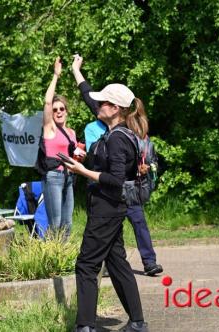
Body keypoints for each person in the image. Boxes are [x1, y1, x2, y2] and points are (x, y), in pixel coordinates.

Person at [64, 54, 149, 332]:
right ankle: (137, 323)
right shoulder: (112, 128)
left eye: (103, 103)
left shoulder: (118, 140)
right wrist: (77, 71)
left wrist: (81, 171)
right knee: (116, 261)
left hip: (107, 207)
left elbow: (114, 180)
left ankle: (85, 326)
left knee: (87, 264)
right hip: (107, 207)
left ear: (115, 109)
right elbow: (89, 96)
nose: (97, 105)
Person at [84, 117, 163, 277]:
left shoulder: (138, 141)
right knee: (110, 230)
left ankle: (150, 262)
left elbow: (153, 163)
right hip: (110, 192)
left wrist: (144, 170)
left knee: (139, 223)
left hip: (130, 191)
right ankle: (107, 265)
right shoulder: (107, 135)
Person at [39, 57, 83, 238]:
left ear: (67, 111)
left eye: (61, 109)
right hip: (53, 177)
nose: (58, 112)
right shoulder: (49, 128)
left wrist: (81, 156)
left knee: (67, 222)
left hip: (69, 177)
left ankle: (62, 257)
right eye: (55, 109)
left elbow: (74, 157)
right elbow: (47, 102)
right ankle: (50, 258)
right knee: (55, 221)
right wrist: (56, 75)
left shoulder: (71, 133)